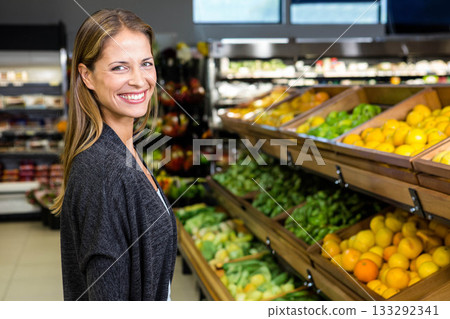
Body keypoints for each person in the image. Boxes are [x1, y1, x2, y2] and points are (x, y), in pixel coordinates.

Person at [52, 8, 177, 301]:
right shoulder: (104, 172)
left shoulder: (124, 151)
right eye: (120, 67)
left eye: (146, 63)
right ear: (87, 76)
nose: (139, 80)